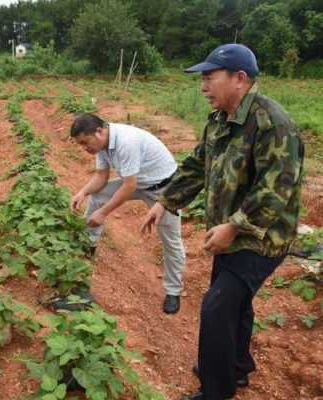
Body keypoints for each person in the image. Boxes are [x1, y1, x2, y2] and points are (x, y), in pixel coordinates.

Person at [141, 44, 304, 400]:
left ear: (240, 79)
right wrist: (166, 202)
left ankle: (216, 390)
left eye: (210, 77)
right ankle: (236, 367)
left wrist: (234, 225)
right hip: (229, 234)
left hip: (262, 236)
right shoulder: (219, 120)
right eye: (202, 79)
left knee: (216, 308)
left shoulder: (272, 123)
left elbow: (278, 188)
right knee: (235, 303)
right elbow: (198, 164)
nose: (203, 86)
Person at [70, 113, 187, 314]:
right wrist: (83, 192)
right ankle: (88, 244)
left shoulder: (126, 142)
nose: (85, 148)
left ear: (99, 131)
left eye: (85, 142)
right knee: (98, 195)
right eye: (81, 144)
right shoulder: (102, 144)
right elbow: (101, 176)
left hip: (164, 189)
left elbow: (128, 185)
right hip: (140, 182)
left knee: (170, 240)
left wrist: (103, 213)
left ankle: (173, 291)